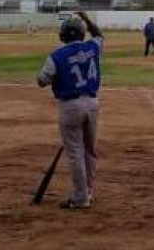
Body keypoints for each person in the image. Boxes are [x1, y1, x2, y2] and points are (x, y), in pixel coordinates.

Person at [36, 11, 104, 210]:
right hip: (92, 103)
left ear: (63, 36)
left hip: (70, 106)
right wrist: (88, 19)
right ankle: (88, 192)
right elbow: (99, 35)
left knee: (75, 152)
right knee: (90, 151)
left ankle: (81, 197)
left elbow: (42, 80)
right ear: (83, 33)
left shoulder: (57, 55)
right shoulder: (93, 47)